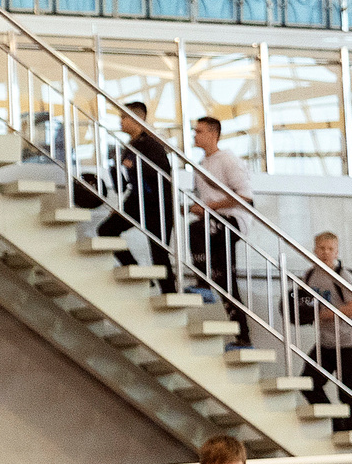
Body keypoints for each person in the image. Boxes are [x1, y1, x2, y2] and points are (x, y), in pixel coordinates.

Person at [296, 232, 352, 433]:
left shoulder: (343, 275)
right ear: (314, 250)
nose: (325, 253)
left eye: (330, 249)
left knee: (348, 393)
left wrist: (324, 315)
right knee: (308, 383)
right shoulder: (309, 276)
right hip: (326, 343)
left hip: (350, 344)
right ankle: (337, 425)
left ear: (336, 252)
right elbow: (304, 305)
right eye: (321, 248)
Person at [187, 116, 254, 342]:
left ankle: (202, 283)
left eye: (199, 131)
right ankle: (243, 337)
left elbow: (245, 197)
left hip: (233, 220)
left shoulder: (228, 159)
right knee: (225, 279)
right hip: (214, 221)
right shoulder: (200, 166)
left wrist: (207, 208)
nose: (195, 135)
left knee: (195, 230)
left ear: (213, 134)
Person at [93, 101, 173, 269]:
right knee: (106, 231)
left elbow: (163, 173)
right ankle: (133, 268)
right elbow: (130, 183)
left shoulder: (151, 144)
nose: (120, 121)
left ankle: (169, 291)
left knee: (159, 253)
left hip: (157, 204)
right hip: (138, 201)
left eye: (124, 117)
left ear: (137, 119)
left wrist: (135, 165)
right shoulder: (130, 146)